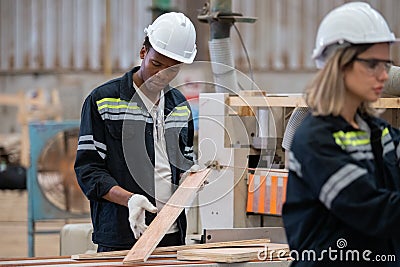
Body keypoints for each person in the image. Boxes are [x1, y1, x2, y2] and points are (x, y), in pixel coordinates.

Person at [282, 2, 400, 266]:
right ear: (340, 64)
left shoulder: (380, 133)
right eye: (372, 64)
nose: (384, 75)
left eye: (387, 64)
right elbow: (368, 209)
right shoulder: (316, 139)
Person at [74, 12, 197, 252]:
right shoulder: (103, 101)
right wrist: (130, 200)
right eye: (157, 65)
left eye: (172, 70)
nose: (162, 76)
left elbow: (184, 163)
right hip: (121, 235)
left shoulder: (180, 106)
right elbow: (88, 170)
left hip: (171, 235)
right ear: (143, 53)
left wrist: (191, 177)